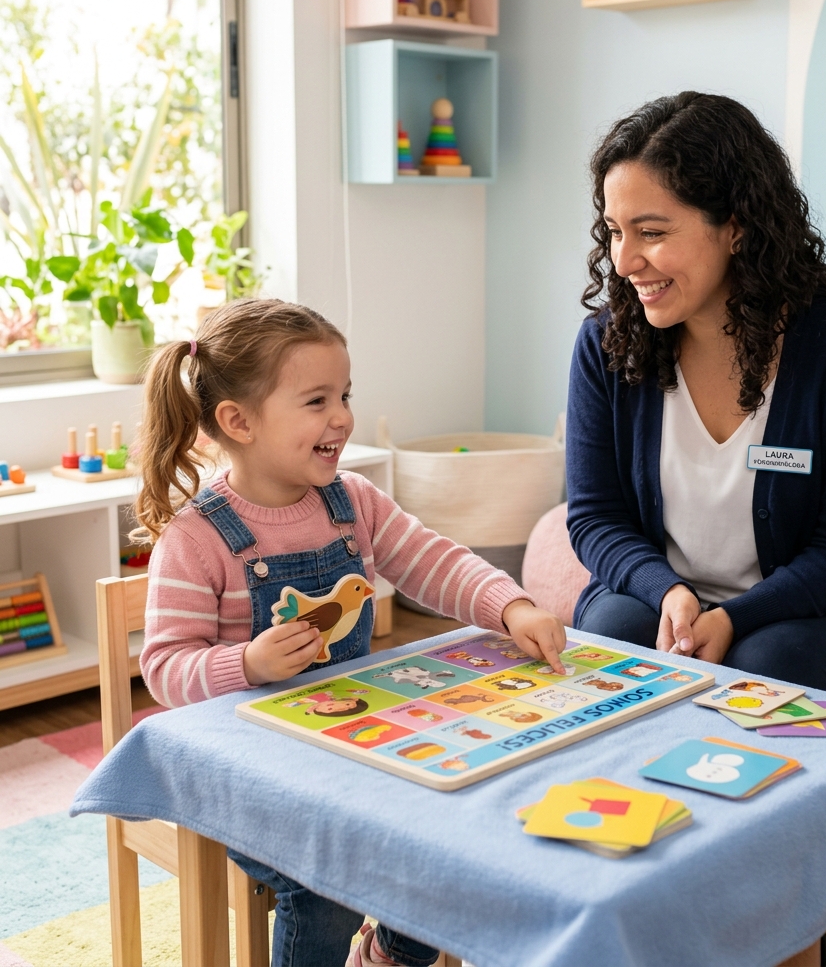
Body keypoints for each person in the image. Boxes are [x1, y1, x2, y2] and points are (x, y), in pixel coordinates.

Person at [134, 298, 565, 967]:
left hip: (353, 744)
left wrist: (510, 606)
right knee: (323, 887)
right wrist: (244, 663)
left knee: (451, 827)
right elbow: (164, 666)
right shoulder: (197, 537)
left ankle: (389, 955)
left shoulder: (353, 501)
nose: (341, 416)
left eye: (344, 394)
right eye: (315, 401)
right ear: (238, 421)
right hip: (243, 771)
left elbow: (432, 561)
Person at [566, 91, 826, 708]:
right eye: (615, 231)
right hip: (655, 602)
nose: (623, 260)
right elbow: (595, 519)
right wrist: (669, 593)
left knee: (764, 665)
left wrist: (734, 619)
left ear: (737, 227)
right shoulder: (607, 344)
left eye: (652, 232)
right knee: (617, 638)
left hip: (813, 618)